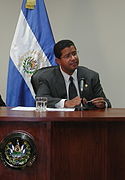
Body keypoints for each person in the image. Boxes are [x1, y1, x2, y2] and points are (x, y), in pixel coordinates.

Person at [33, 40, 111, 109]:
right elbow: (41, 98)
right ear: (58, 61)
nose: (73, 58)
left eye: (74, 54)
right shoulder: (47, 77)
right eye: (67, 56)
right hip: (59, 122)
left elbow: (106, 102)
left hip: (85, 121)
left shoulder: (91, 76)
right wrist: (65, 103)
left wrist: (103, 104)